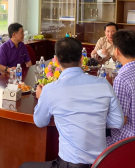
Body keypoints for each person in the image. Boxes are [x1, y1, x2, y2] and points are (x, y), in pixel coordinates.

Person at [20, 37, 124, 168]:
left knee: (24, 166)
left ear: (56, 61)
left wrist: (42, 98)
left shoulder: (50, 90)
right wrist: (95, 118)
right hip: (102, 163)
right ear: (82, 59)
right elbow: (118, 122)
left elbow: (40, 122)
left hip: (71, 165)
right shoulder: (104, 85)